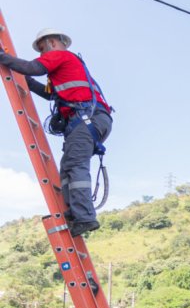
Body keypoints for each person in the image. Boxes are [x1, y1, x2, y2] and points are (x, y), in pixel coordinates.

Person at [0, 28, 112, 238]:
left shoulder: (60, 55)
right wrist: (25, 81)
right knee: (68, 166)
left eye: (42, 49)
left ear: (52, 42)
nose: (42, 54)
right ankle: (74, 213)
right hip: (91, 120)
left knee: (75, 165)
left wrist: (3, 57)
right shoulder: (67, 69)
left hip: (87, 119)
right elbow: (50, 95)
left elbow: (33, 67)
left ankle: (84, 216)